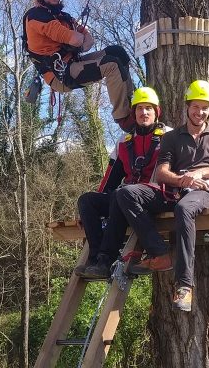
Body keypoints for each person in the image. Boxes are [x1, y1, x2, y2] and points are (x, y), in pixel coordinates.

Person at [114, 80, 209, 312]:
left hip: (205, 191)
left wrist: (200, 172)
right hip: (175, 190)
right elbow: (161, 173)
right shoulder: (172, 137)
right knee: (126, 193)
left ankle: (184, 285)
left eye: (205, 107)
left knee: (184, 209)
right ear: (187, 107)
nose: (200, 112)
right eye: (195, 107)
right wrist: (181, 180)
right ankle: (160, 252)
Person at [74, 87, 170, 280]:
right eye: (139, 108)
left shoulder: (169, 136)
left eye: (149, 108)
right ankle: (97, 260)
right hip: (125, 196)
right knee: (87, 201)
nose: (144, 112)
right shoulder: (124, 142)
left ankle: (109, 258)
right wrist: (88, 212)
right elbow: (110, 178)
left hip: (156, 196)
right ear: (134, 113)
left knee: (122, 194)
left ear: (156, 111)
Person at [23, 0, 136, 131]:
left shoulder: (63, 17)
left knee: (117, 52)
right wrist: (75, 40)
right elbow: (76, 38)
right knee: (111, 65)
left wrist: (77, 42)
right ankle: (123, 118)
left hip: (73, 63)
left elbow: (88, 40)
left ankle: (131, 101)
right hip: (60, 74)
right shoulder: (36, 16)